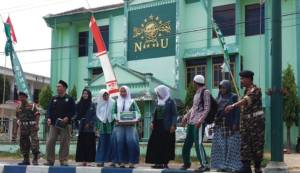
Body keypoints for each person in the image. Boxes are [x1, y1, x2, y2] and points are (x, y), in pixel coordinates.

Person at [225, 70, 264, 173]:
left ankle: (257, 167)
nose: (241, 81)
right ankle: (246, 167)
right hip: (246, 124)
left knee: (256, 146)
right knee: (245, 146)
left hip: (255, 124)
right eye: (241, 78)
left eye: (243, 79)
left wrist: (233, 106)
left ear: (249, 79)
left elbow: (246, 101)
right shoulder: (245, 92)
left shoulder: (256, 90)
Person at [210, 80, 242, 172]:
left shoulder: (234, 97)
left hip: (230, 125)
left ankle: (232, 167)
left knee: (231, 146)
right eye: (220, 87)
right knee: (220, 146)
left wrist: (236, 123)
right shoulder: (218, 98)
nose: (222, 89)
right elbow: (216, 111)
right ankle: (221, 166)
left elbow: (237, 111)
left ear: (228, 87)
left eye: (224, 87)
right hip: (220, 125)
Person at [181, 75, 209, 172]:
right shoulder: (197, 93)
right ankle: (186, 163)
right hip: (191, 122)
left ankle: (204, 164)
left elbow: (207, 108)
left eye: (193, 82)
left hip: (198, 123)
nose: (192, 84)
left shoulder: (205, 92)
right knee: (187, 143)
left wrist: (200, 120)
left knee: (198, 144)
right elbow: (194, 108)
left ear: (195, 82)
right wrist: (186, 117)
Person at [145, 85, 177, 169]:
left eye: (159, 93)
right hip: (157, 125)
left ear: (163, 92)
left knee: (165, 144)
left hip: (166, 126)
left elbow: (174, 114)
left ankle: (165, 163)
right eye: (157, 93)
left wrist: (173, 125)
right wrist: (152, 122)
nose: (158, 94)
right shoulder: (157, 101)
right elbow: (154, 113)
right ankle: (157, 162)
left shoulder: (170, 101)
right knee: (155, 144)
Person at [45, 80, 75, 166]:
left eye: (59, 86)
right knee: (50, 141)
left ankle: (63, 160)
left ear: (64, 88)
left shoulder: (69, 99)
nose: (57, 88)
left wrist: (67, 117)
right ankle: (50, 160)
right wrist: (49, 118)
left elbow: (73, 111)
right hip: (54, 124)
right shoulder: (53, 98)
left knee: (65, 142)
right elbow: (49, 110)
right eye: (57, 87)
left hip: (65, 124)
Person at [111, 86, 141, 168]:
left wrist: (136, 118)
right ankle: (121, 162)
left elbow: (138, 112)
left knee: (131, 142)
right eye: (121, 91)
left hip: (130, 126)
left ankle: (132, 162)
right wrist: (116, 119)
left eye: (124, 91)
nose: (123, 93)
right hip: (119, 126)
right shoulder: (116, 102)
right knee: (119, 142)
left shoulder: (132, 102)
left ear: (127, 92)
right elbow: (113, 112)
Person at [16, 92, 40, 165]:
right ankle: (26, 160)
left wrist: (37, 124)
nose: (21, 98)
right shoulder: (18, 107)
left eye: (23, 97)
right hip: (23, 127)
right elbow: (17, 117)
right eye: (20, 97)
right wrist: (16, 128)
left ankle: (35, 159)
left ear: (26, 97)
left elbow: (37, 115)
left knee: (34, 142)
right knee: (23, 143)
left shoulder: (32, 106)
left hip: (32, 126)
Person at [75, 89, 96, 166]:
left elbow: (94, 115)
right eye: (83, 93)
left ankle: (89, 161)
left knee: (89, 144)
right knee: (82, 144)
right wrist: (77, 122)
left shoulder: (92, 104)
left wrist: (90, 123)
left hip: (89, 128)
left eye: (86, 93)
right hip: (81, 127)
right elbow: (76, 114)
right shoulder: (79, 104)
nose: (85, 95)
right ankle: (82, 160)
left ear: (89, 95)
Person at [95, 89, 115, 167]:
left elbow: (115, 112)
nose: (106, 96)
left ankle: (112, 161)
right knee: (102, 144)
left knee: (112, 143)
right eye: (104, 95)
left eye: (107, 95)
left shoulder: (113, 102)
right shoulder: (99, 104)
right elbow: (98, 116)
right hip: (102, 127)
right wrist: (97, 128)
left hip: (111, 125)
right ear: (101, 96)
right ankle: (101, 161)